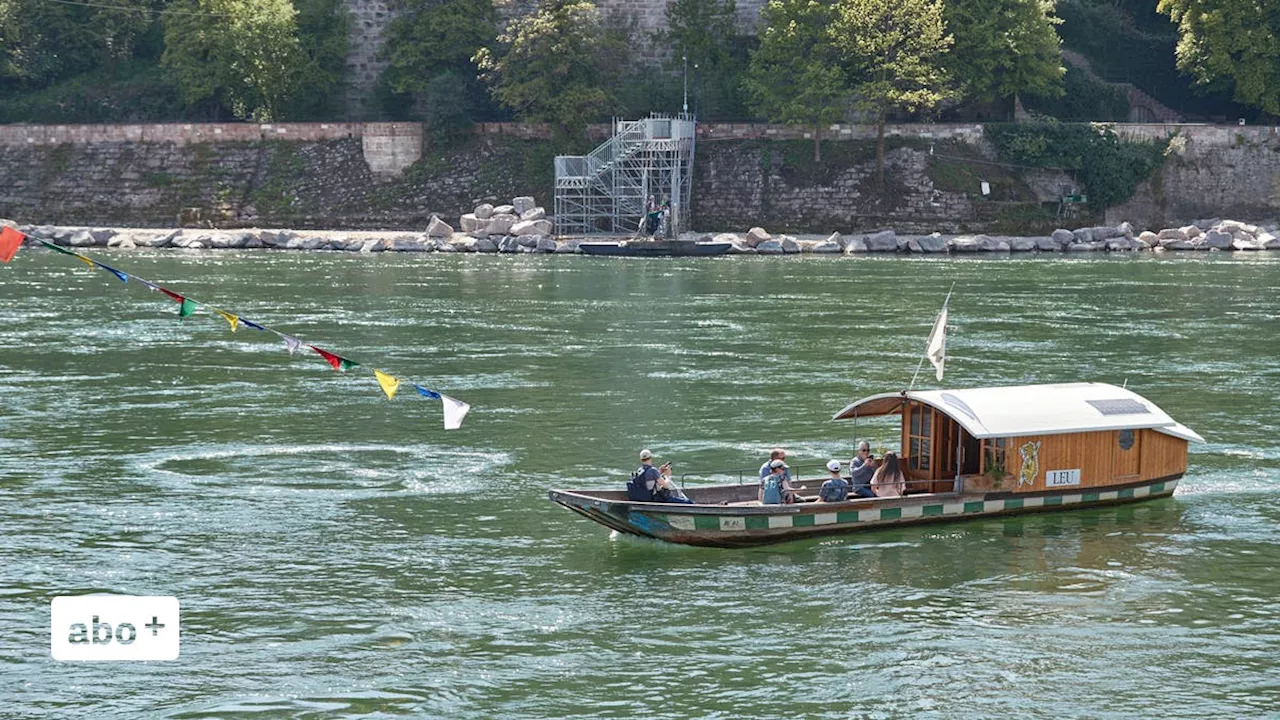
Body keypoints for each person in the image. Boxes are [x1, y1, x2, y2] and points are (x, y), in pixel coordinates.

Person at [627, 449, 694, 504]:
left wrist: (659, 472)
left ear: (641, 459)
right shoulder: (652, 470)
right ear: (651, 457)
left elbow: (649, 480)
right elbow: (666, 486)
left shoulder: (640, 470)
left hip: (644, 498)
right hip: (655, 499)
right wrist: (668, 476)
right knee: (688, 502)